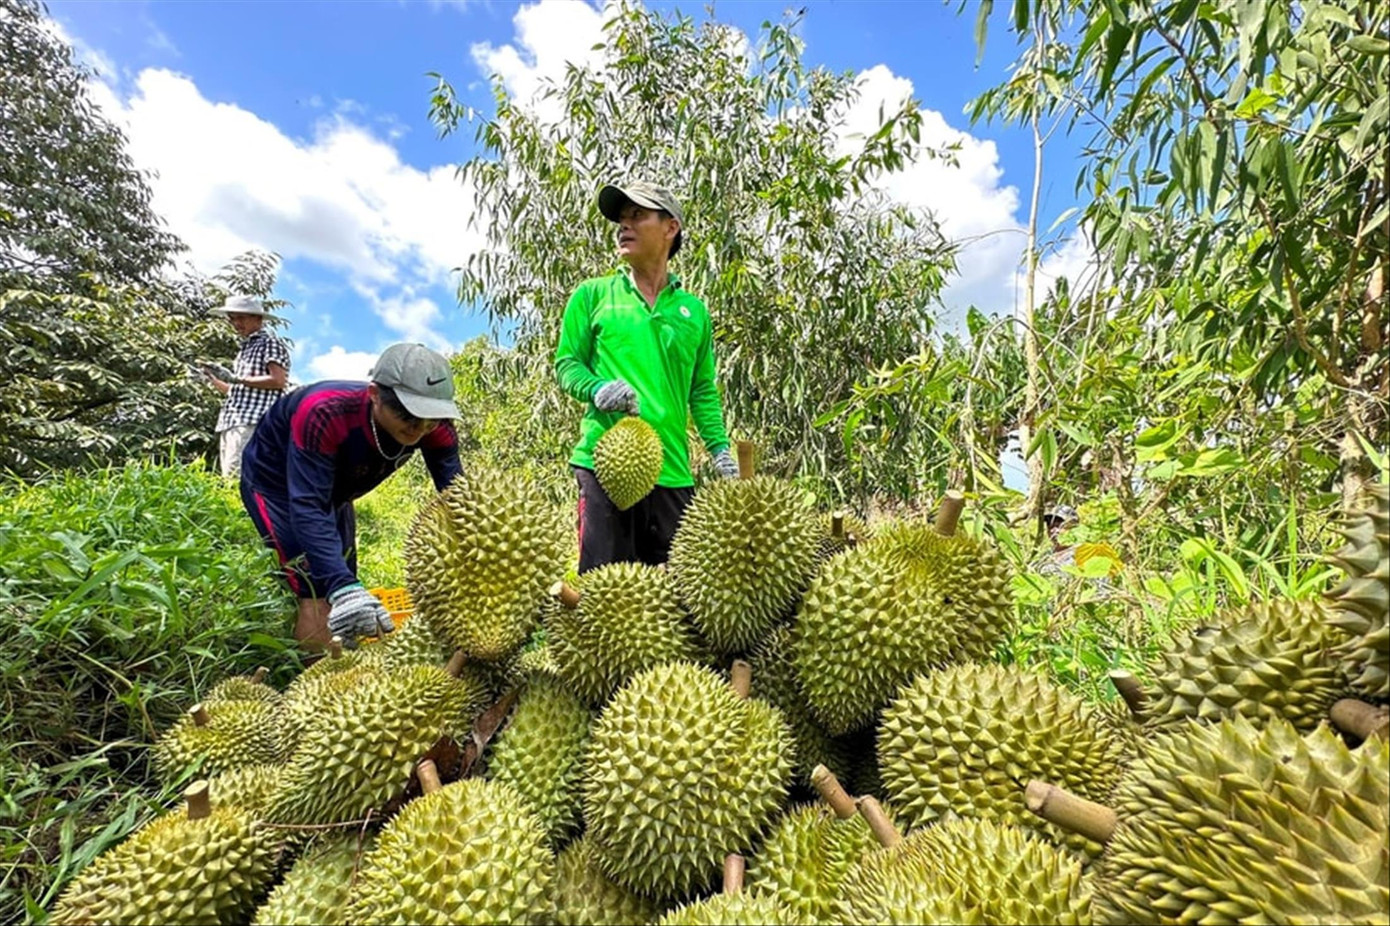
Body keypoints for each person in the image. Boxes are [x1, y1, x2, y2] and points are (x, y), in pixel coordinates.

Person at [554, 180, 739, 573]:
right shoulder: (593, 295)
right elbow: (567, 365)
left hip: (672, 472)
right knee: (602, 598)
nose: (624, 226)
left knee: (678, 603)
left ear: (670, 227)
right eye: (621, 219)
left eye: (637, 215)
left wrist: (720, 450)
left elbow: (702, 390)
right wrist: (598, 388)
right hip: (605, 466)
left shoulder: (694, 312)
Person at [238, 342, 463, 649]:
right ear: (375, 396)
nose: (420, 429)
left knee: (345, 571)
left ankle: (349, 660)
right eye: (410, 416)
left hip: (336, 491)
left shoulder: (436, 427)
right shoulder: (325, 413)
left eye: (431, 419)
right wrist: (340, 586)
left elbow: (456, 496)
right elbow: (307, 504)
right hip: (276, 486)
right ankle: (317, 684)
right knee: (317, 586)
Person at [201, 295, 291, 480]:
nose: (236, 323)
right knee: (229, 476)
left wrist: (237, 378)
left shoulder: (269, 343)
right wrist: (212, 380)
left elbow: (278, 380)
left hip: (251, 421)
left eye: (241, 318)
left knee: (238, 478)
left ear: (258, 318)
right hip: (233, 420)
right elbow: (238, 391)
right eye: (232, 318)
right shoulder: (246, 348)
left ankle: (244, 510)